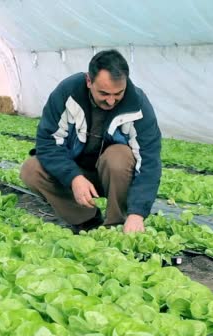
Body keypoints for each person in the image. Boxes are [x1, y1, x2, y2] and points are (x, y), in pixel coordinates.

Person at [20, 49, 161, 234]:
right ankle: (86, 220)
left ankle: (117, 224)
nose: (111, 101)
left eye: (118, 93)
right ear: (89, 81)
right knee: (31, 169)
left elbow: (149, 161)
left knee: (119, 156)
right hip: (77, 169)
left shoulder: (137, 104)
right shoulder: (67, 93)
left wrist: (137, 212)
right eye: (104, 93)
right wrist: (74, 177)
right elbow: (48, 143)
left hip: (114, 176)